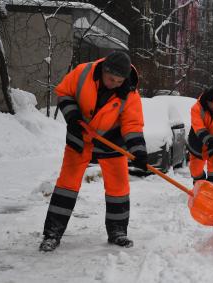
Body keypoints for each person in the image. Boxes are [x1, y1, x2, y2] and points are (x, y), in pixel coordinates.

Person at [39, 51, 148, 252]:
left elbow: (132, 125)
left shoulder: (130, 93)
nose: (114, 83)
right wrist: (72, 118)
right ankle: (52, 233)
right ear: (103, 70)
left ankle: (117, 231)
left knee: (118, 186)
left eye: (118, 80)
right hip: (80, 137)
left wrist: (139, 152)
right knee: (67, 184)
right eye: (110, 79)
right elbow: (64, 92)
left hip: (111, 140)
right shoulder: (82, 73)